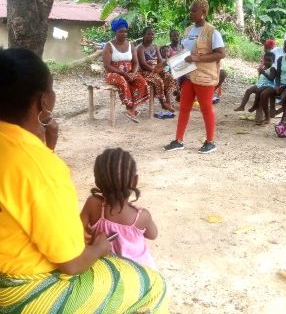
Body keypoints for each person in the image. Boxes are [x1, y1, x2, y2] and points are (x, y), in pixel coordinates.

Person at [0, 48, 167, 313]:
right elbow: (72, 263)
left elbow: (19, 189)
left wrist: (44, 146)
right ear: (44, 101)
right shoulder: (41, 167)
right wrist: (99, 248)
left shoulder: (25, 155)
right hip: (22, 290)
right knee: (154, 285)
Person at [164, 0, 225, 154]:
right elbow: (184, 52)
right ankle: (178, 141)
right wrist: (169, 64)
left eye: (193, 10)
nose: (190, 13)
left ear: (203, 12)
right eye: (190, 10)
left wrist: (197, 58)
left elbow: (220, 54)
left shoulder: (212, 32)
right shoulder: (188, 30)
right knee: (184, 107)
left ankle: (210, 142)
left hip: (204, 76)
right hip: (188, 75)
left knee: (206, 108)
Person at [81, 148, 157, 270]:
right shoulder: (142, 216)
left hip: (107, 271)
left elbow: (77, 229)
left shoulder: (92, 204)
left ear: (98, 181)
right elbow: (153, 235)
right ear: (135, 181)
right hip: (140, 272)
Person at [103, 18, 149, 123]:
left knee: (141, 81)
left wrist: (133, 73)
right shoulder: (108, 46)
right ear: (115, 32)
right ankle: (129, 107)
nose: (124, 34)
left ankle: (132, 110)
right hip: (113, 73)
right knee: (123, 82)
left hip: (129, 72)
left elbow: (136, 63)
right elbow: (107, 65)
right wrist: (123, 73)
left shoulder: (131, 45)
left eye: (125, 31)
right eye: (120, 31)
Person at [256, 37, 286, 125]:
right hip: (280, 84)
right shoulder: (281, 59)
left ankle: (283, 121)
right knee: (263, 94)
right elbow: (278, 74)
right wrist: (277, 85)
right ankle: (267, 116)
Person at [137, 26, 176, 112]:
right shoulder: (140, 48)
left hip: (155, 69)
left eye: (152, 34)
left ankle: (168, 101)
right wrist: (154, 70)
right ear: (143, 35)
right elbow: (143, 64)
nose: (151, 36)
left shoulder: (155, 46)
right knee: (158, 80)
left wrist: (162, 67)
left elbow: (160, 60)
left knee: (169, 76)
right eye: (149, 34)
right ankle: (163, 102)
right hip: (145, 71)